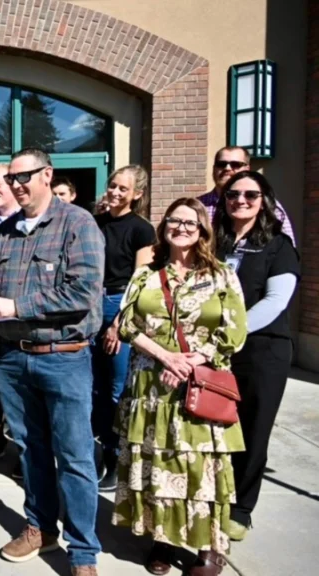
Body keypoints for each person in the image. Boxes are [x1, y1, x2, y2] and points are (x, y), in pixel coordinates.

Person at [0, 148, 104, 575]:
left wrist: (18, 305)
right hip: (13, 362)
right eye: (11, 179)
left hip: (64, 358)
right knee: (31, 452)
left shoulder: (78, 224)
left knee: (74, 457)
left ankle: (83, 553)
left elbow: (83, 293)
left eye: (25, 177)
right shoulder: (3, 233)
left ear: (47, 174)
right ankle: (40, 527)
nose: (17, 186)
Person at [112, 198, 247, 576]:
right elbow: (126, 324)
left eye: (190, 222)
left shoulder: (221, 275)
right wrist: (165, 357)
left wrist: (190, 361)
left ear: (203, 229)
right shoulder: (146, 274)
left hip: (199, 384)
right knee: (158, 462)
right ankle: (164, 538)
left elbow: (234, 331)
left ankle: (208, 546)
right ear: (164, 227)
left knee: (200, 465)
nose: (182, 228)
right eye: (174, 221)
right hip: (151, 386)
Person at [214, 172, 299, 542]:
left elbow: (276, 301)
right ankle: (211, 498)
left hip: (261, 351)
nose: (241, 200)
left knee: (252, 430)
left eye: (251, 194)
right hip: (213, 350)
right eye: (233, 193)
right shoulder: (214, 242)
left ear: (264, 200)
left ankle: (240, 509)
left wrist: (229, 334)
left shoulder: (278, 246)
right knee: (212, 428)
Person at [92, 165, 156, 491]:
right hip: (92, 305)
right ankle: (101, 454)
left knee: (118, 389)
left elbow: (139, 280)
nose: (115, 193)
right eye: (112, 186)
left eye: (123, 189)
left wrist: (118, 324)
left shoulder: (142, 230)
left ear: (137, 194)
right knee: (96, 389)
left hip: (120, 306)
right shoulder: (97, 222)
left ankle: (118, 459)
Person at [198, 146, 294, 244]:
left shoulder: (266, 205)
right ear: (214, 168)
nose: (227, 168)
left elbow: (287, 248)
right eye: (221, 164)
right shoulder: (197, 206)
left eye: (235, 164)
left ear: (247, 169)